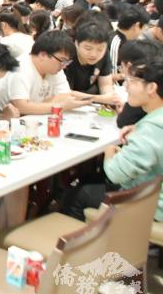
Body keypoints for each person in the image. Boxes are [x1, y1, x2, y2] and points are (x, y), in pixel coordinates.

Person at [62, 54, 163, 221]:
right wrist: (138, 128)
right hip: (151, 195)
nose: (126, 87)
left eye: (131, 81)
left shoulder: (152, 129)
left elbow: (116, 173)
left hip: (152, 207)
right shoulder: (154, 121)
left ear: (151, 88)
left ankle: (76, 236)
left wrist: (109, 151)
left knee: (78, 195)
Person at [0, 29, 93, 116]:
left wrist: (36, 106)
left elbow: (65, 95)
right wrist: (59, 106)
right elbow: (21, 107)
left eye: (67, 62)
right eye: (62, 60)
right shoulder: (20, 68)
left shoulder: (56, 68)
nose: (64, 66)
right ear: (42, 55)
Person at [64, 20, 120, 106]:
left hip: (92, 104)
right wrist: (98, 98)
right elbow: (64, 92)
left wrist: (109, 98)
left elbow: (105, 84)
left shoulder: (104, 54)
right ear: (76, 43)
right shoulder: (66, 58)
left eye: (100, 49)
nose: (94, 54)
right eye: (88, 48)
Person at [109, 6, 149, 78]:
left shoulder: (128, 40)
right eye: (144, 27)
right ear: (136, 26)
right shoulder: (116, 43)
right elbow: (112, 76)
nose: (145, 29)